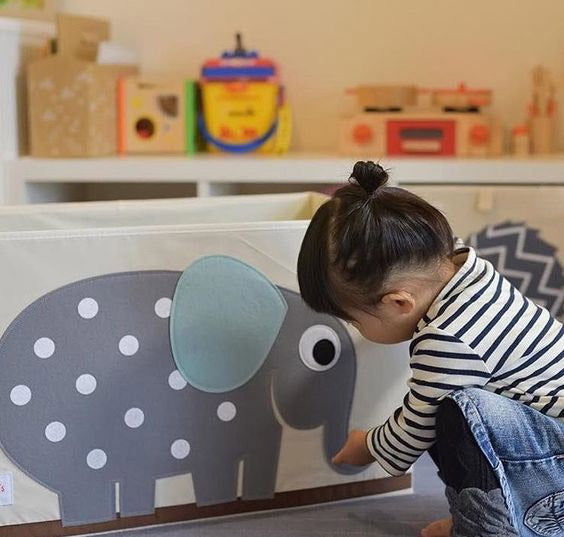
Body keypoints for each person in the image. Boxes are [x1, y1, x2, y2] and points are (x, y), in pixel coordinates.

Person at [297, 161, 564, 537]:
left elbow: (415, 426)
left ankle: (484, 526)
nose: (357, 331)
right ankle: (489, 510)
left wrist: (368, 445)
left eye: (354, 321)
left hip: (554, 460)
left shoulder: (445, 338)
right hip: (546, 436)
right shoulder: (471, 273)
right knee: (447, 404)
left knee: (453, 413)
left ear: (398, 303)